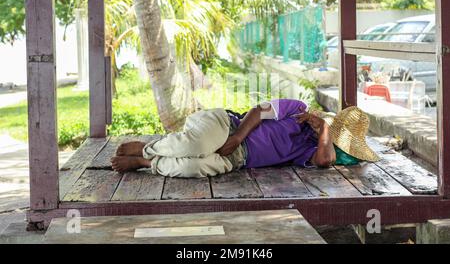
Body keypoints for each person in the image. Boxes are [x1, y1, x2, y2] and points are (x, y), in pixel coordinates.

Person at [110, 99, 379, 177]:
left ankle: (147, 164)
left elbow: (324, 162)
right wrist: (238, 136)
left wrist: (323, 132)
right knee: (198, 145)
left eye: (334, 137)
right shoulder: (297, 109)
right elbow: (258, 112)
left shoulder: (310, 150)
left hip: (237, 161)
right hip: (226, 127)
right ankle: (148, 148)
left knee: (194, 167)